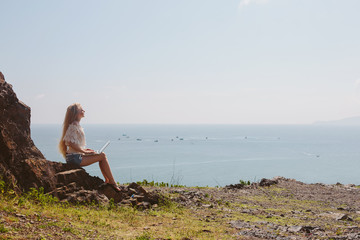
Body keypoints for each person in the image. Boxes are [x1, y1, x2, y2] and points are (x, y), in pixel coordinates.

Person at [58, 103, 121, 192]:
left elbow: (74, 144)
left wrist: (85, 150)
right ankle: (112, 182)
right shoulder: (74, 126)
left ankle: (108, 180)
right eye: (81, 109)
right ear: (76, 113)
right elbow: (70, 143)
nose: (84, 111)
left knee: (101, 156)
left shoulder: (74, 125)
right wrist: (84, 151)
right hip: (75, 158)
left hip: (74, 157)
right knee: (102, 156)